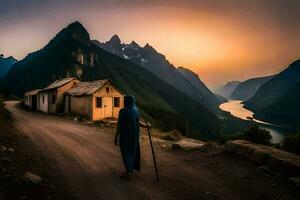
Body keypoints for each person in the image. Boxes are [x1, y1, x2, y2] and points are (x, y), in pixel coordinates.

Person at [114, 95, 150, 181]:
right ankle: (131, 169)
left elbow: (119, 125)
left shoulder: (123, 111)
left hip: (125, 136)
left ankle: (128, 173)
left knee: (126, 153)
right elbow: (139, 122)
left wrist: (116, 137)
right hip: (134, 136)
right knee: (133, 152)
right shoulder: (136, 111)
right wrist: (147, 125)